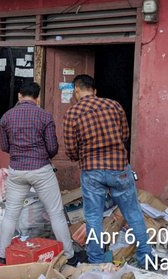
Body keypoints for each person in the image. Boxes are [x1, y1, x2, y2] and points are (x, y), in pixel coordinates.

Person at [63, 74, 152, 268]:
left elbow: (70, 149)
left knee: (93, 217)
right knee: (133, 213)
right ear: (94, 90)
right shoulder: (114, 106)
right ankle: (146, 258)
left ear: (76, 90)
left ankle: (95, 261)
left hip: (92, 170)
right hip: (119, 167)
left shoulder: (73, 113)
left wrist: (84, 155)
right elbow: (125, 134)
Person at [0, 83, 77, 264]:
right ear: (38, 97)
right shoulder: (44, 116)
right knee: (56, 213)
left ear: (19, 95)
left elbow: (4, 146)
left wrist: (19, 152)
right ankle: (69, 255)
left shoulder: (7, 117)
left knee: (10, 214)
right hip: (41, 169)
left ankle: (2, 255)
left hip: (17, 170)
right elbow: (52, 147)